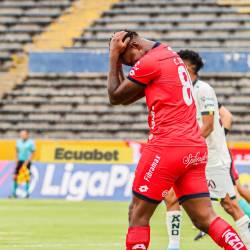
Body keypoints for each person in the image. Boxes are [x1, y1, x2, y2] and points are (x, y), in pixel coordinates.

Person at [107, 30, 247, 250]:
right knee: (205, 218)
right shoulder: (169, 55)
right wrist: (119, 57)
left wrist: (113, 56)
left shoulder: (149, 62)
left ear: (133, 46)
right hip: (194, 147)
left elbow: (114, 96)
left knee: (137, 214)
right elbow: (125, 98)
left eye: (127, 61)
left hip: (167, 146)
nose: (128, 68)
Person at [164, 50, 250, 249]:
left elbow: (208, 126)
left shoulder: (203, 90)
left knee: (230, 204)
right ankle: (173, 245)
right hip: (190, 155)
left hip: (212, 157)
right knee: (170, 196)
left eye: (178, 65)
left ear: (188, 68)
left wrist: (184, 145)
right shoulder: (178, 91)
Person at [12, 130, 35, 198]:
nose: (22, 136)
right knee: (15, 176)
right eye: (21, 134)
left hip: (27, 161)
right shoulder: (18, 142)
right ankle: (14, 193)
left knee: (26, 177)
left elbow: (33, 152)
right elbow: (16, 151)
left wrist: (28, 160)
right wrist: (16, 159)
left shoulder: (31, 142)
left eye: (23, 134)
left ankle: (27, 193)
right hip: (19, 161)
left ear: (27, 135)